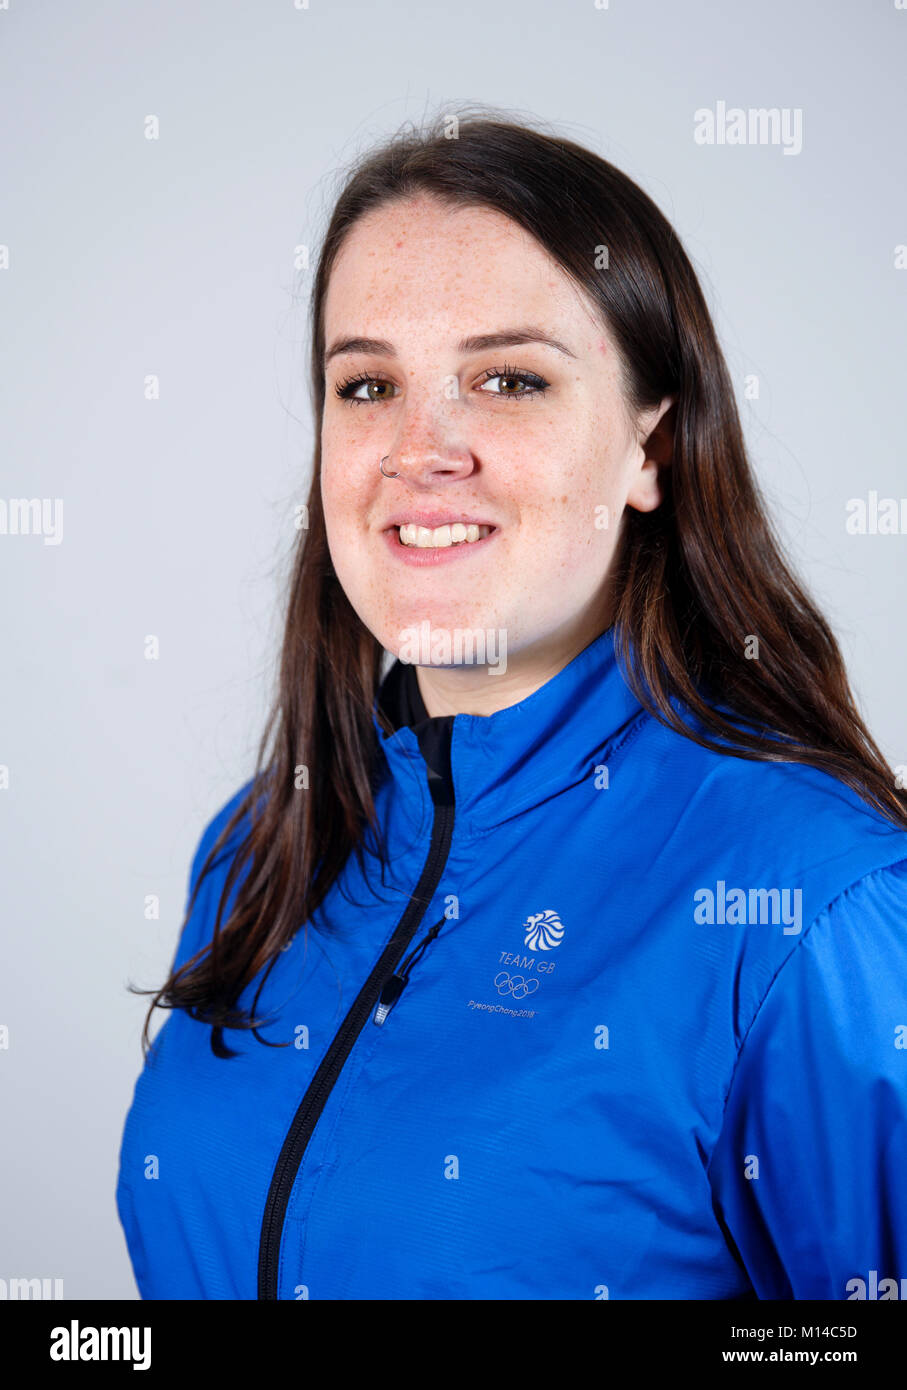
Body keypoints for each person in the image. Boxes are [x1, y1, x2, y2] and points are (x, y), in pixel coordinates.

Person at [116, 108, 907, 1301]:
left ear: (652, 445)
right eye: (368, 383)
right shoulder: (261, 847)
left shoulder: (809, 900)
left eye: (507, 378)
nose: (420, 448)